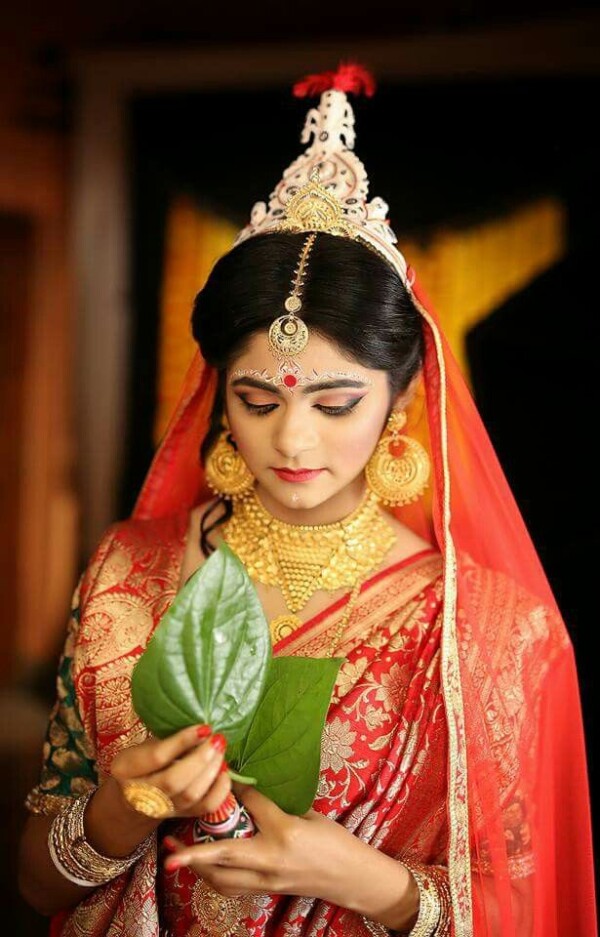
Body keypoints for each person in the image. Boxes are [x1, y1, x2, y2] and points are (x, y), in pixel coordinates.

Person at [17, 63, 597, 937]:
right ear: (218, 395)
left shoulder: (488, 631)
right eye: (258, 400)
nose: (292, 441)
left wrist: (370, 882)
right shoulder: (126, 572)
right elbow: (34, 884)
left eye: (336, 404)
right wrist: (124, 804)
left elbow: (534, 909)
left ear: (400, 399)